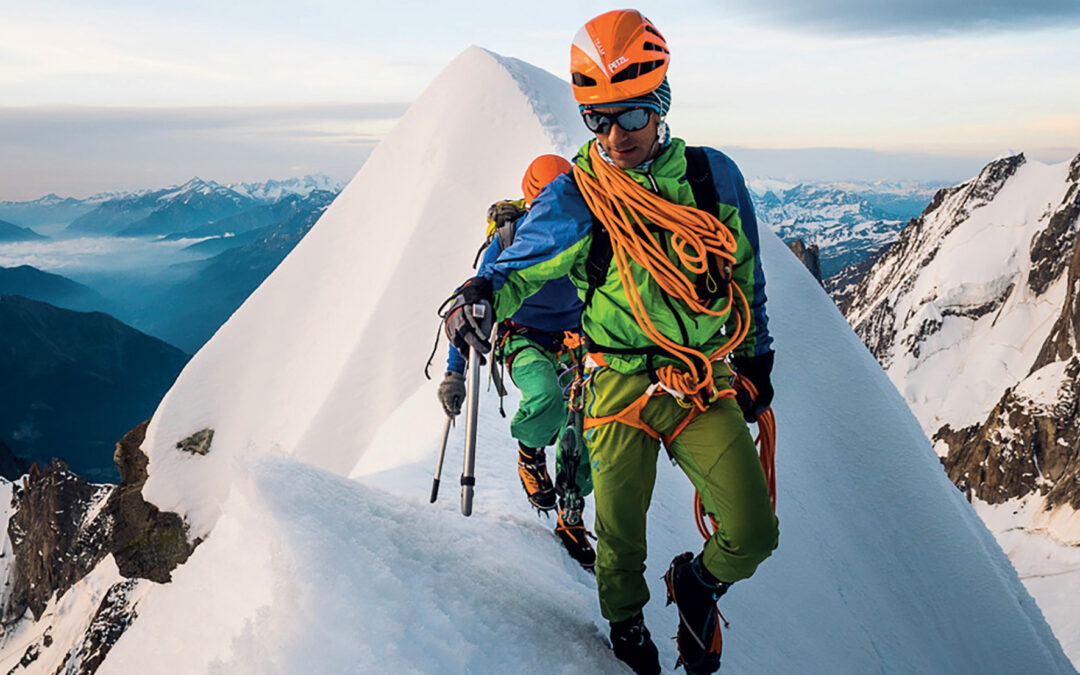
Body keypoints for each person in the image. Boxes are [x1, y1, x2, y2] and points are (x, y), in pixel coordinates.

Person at [444, 10, 778, 675]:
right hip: (616, 380)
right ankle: (627, 631)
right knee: (620, 542)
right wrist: (482, 294)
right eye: (598, 118)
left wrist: (756, 357)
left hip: (696, 377)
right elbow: (520, 267)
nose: (616, 135)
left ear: (660, 104)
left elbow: (745, 275)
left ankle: (697, 584)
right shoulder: (579, 196)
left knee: (753, 530)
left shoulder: (712, 181)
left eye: (630, 115)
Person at [438, 154, 596, 570]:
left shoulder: (590, 229)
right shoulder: (511, 241)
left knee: (581, 432)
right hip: (523, 340)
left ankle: (571, 516)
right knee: (545, 395)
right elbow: (475, 301)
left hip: (578, 344)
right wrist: (455, 372)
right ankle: (530, 454)